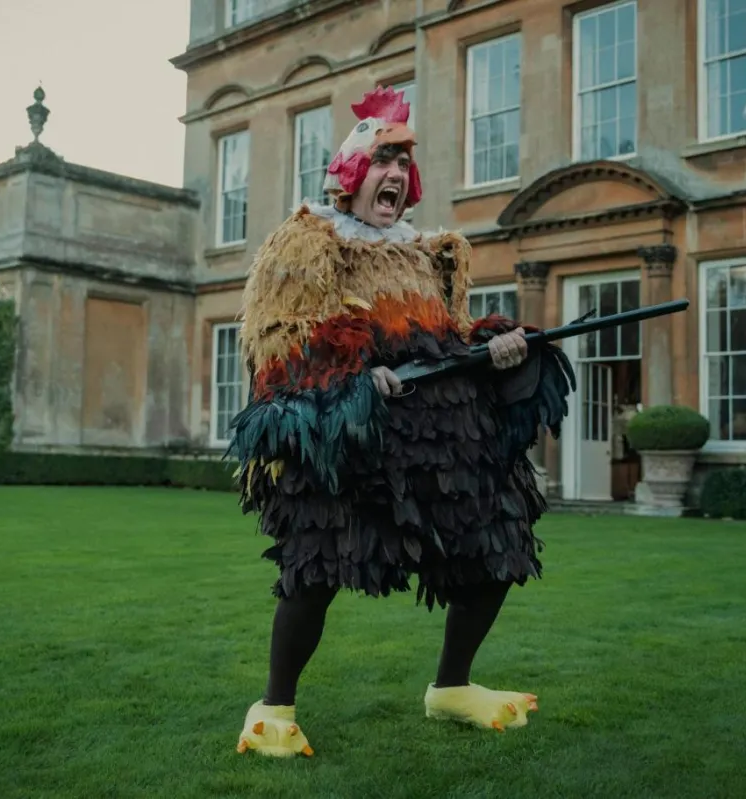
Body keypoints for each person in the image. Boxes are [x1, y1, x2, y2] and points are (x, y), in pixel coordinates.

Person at [225, 85, 574, 758]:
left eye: (403, 163)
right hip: (356, 440)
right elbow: (281, 342)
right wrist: (352, 373)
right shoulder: (309, 242)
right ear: (352, 172)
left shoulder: (431, 253)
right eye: (383, 160)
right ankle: (272, 709)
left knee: (497, 541)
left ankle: (452, 687)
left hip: (441, 441)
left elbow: (450, 338)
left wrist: (496, 346)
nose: (394, 174)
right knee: (316, 566)